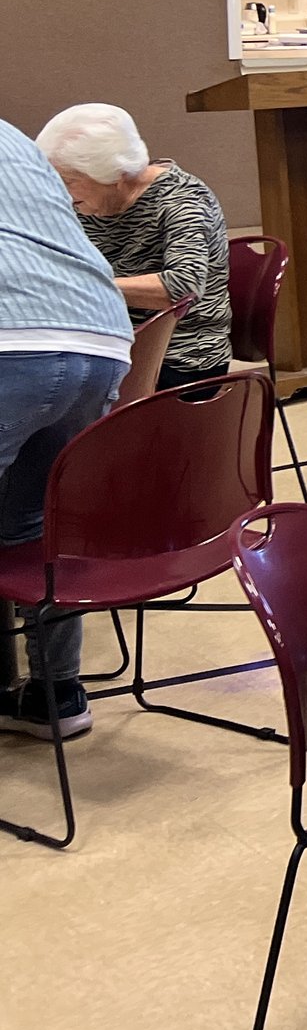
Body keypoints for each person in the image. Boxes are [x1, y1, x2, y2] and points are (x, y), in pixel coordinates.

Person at [0, 117, 134, 740]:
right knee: (30, 523)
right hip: (98, 332)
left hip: (10, 342)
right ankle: (55, 695)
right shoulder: (12, 136)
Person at [37, 103, 231, 387]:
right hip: (105, 347)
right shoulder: (87, 201)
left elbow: (183, 287)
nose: (62, 194)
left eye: (69, 181)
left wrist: (88, 285)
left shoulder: (183, 201)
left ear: (117, 175)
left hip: (178, 359)